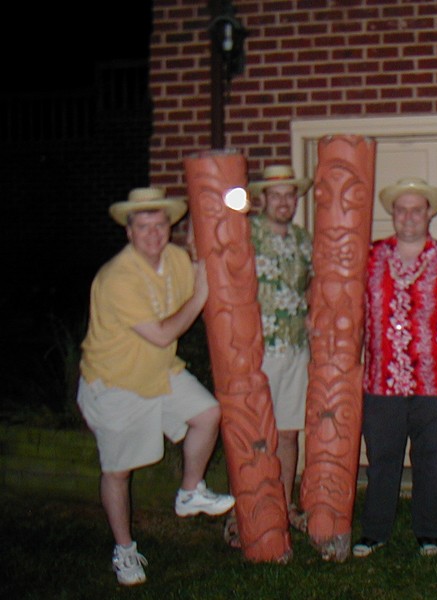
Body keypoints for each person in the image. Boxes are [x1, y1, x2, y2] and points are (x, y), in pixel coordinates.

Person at [77, 187, 235, 586]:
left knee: (208, 413)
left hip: (160, 372)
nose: (152, 234)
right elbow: (163, 334)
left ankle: (189, 491)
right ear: (129, 232)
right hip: (116, 382)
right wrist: (200, 294)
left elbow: (205, 266)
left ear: (170, 227)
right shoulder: (117, 278)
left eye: (159, 224)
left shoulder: (176, 260)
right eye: (142, 227)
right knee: (118, 472)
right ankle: (124, 550)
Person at [353, 177, 437, 558]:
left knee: (435, 459)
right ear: (392, 215)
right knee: (382, 461)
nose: (408, 216)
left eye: (416, 209)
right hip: (381, 381)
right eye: (401, 209)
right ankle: (375, 531)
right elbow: (347, 312)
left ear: (429, 213)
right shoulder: (370, 257)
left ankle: (429, 531)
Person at [248, 164, 313, 532]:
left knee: (288, 433)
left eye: (290, 195)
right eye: (277, 195)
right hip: (258, 351)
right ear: (264, 199)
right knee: (255, 434)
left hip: (295, 349)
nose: (284, 201)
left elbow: (313, 285)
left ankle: (285, 505)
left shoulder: (304, 239)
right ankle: (252, 508)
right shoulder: (247, 233)